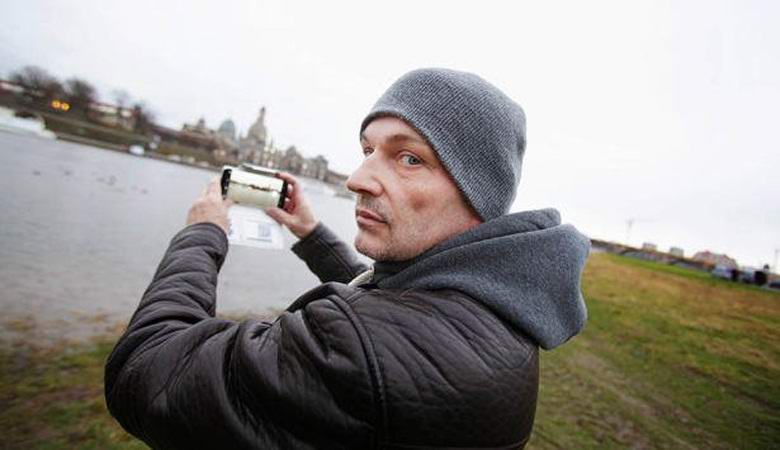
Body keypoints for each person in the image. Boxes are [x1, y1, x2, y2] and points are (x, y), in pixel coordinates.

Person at [105, 68, 590, 449]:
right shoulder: (496, 305)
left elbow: (146, 372)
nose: (357, 178)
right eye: (367, 150)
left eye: (409, 158)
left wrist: (203, 232)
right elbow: (395, 302)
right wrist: (311, 233)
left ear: (477, 194)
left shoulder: (358, 352)